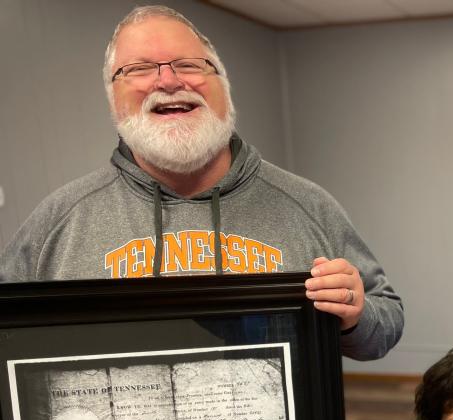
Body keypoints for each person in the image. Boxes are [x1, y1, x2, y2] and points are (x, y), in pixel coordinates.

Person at [0, 5, 402, 361]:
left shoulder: (307, 203)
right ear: (112, 97)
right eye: (139, 69)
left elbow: (383, 328)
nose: (169, 81)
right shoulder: (59, 219)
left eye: (189, 65)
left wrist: (356, 314)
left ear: (224, 87)